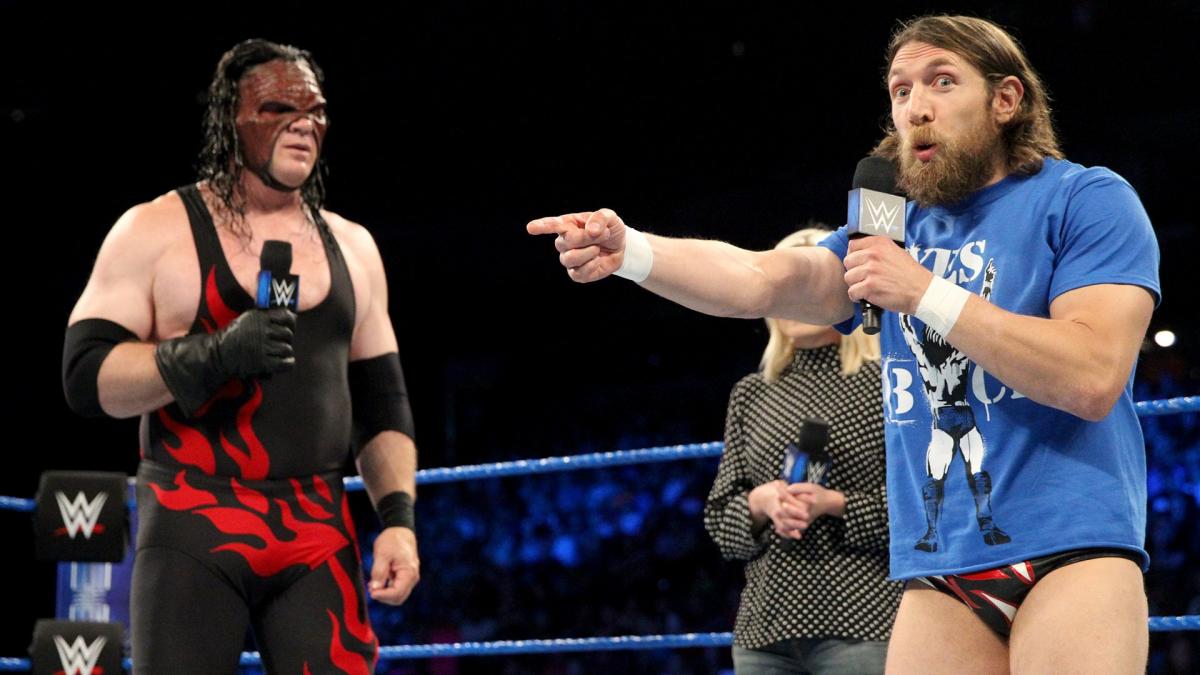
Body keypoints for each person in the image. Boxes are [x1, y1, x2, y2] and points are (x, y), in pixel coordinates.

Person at [528, 15, 1159, 674]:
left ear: (1006, 99)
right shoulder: (889, 225)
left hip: (1070, 547)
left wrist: (924, 292)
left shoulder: (1085, 198)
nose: (916, 107)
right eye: (901, 89)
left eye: (942, 82)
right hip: (941, 568)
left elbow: (1091, 376)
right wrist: (632, 252)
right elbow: (759, 280)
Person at [61, 39, 419, 674]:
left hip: (316, 524)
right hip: (191, 517)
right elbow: (87, 377)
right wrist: (212, 356)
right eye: (280, 108)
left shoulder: (354, 247)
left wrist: (397, 519)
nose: (304, 124)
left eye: (315, 111)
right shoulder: (155, 230)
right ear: (231, 119)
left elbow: (381, 401)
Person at [704, 228, 902, 674]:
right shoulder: (751, 393)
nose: (795, 301)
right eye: (786, 288)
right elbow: (719, 522)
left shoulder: (886, 381)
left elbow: (921, 511)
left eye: (806, 286)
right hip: (764, 628)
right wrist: (760, 503)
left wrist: (834, 505)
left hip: (864, 618)